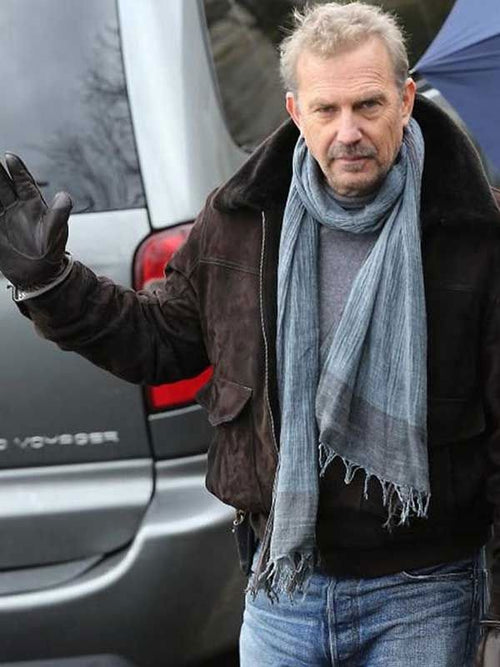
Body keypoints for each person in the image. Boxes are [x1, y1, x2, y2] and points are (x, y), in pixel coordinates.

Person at [0, 2, 499, 665]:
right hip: (282, 583)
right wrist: (51, 283)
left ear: (405, 100)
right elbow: (161, 338)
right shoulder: (242, 221)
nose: (348, 131)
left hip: (424, 589)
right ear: (296, 112)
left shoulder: (472, 232)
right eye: (326, 110)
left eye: (368, 105)